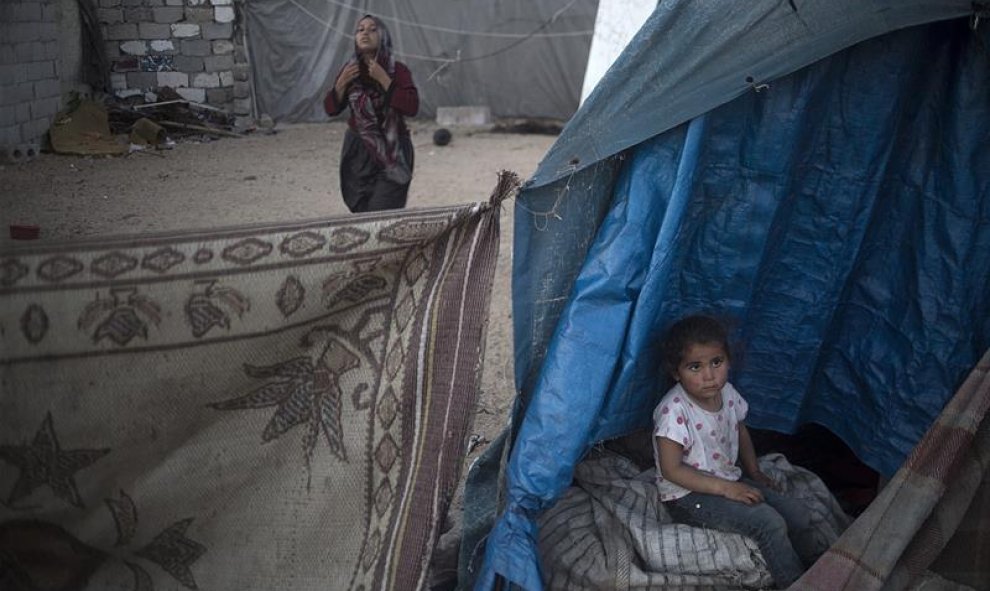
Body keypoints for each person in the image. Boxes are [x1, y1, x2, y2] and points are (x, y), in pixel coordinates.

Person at [653, 314, 825, 589]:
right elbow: (671, 470)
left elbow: (739, 430)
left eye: (716, 363)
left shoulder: (728, 393)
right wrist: (725, 489)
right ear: (676, 372)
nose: (709, 376)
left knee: (797, 514)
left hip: (727, 478)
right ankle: (794, 582)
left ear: (728, 360)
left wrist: (754, 470)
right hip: (687, 496)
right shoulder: (674, 411)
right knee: (767, 522)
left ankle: (824, 569)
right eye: (695, 367)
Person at [324, 14, 418, 213]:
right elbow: (331, 108)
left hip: (393, 151)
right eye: (360, 29)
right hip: (357, 150)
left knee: (381, 213)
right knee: (360, 210)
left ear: (383, 36)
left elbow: (412, 107)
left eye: (372, 29)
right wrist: (340, 86)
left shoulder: (398, 70)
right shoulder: (350, 70)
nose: (365, 33)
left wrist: (385, 80)